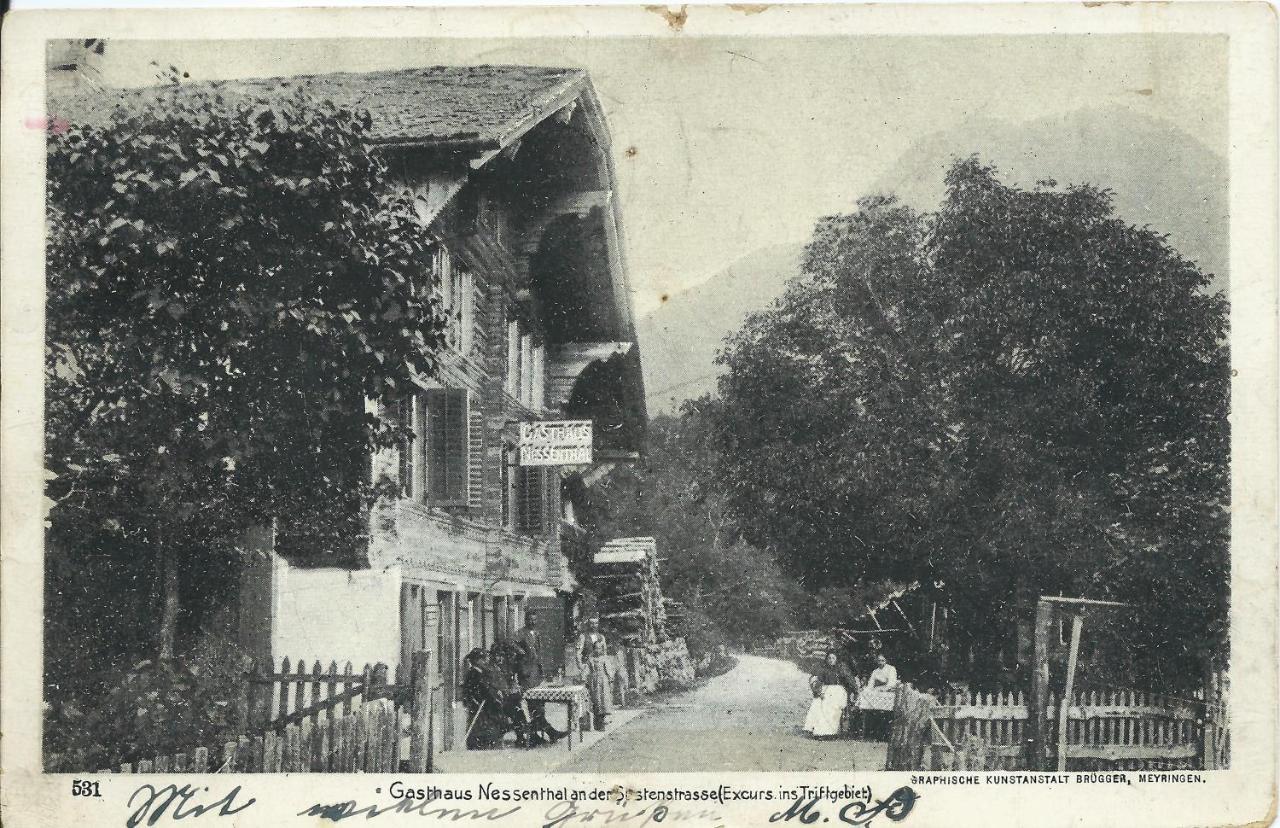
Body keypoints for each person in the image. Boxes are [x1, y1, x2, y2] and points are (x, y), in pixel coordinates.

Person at [510, 614, 568, 746]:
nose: (532, 621)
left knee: (538, 704)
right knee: (533, 704)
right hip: (526, 672)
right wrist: (520, 651)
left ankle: (544, 734)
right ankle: (546, 733)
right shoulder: (520, 633)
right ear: (526, 620)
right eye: (530, 619)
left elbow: (539, 651)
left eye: (535, 619)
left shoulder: (536, 633)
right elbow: (511, 642)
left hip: (536, 672)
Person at [803, 652, 858, 739]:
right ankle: (820, 732)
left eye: (833, 658)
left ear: (836, 660)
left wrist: (855, 691)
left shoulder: (841, 669)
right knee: (817, 703)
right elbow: (817, 681)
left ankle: (831, 732)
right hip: (826, 690)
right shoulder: (823, 670)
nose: (831, 660)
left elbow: (850, 680)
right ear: (827, 659)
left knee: (831, 706)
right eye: (829, 658)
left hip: (838, 691)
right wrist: (818, 692)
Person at [461, 648, 505, 749]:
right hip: (478, 704)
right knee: (480, 726)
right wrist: (494, 699)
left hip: (483, 703)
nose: (487, 661)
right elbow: (483, 689)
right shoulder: (474, 673)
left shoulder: (481, 672)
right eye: (484, 659)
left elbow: (488, 687)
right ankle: (480, 744)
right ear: (477, 660)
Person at [575, 617, 613, 731]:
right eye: (591, 623)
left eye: (596, 623)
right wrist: (581, 667)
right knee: (589, 697)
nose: (594, 625)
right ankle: (586, 724)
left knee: (600, 697)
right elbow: (578, 653)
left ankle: (599, 723)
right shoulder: (583, 637)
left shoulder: (601, 637)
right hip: (588, 669)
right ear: (588, 624)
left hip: (599, 670)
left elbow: (604, 653)